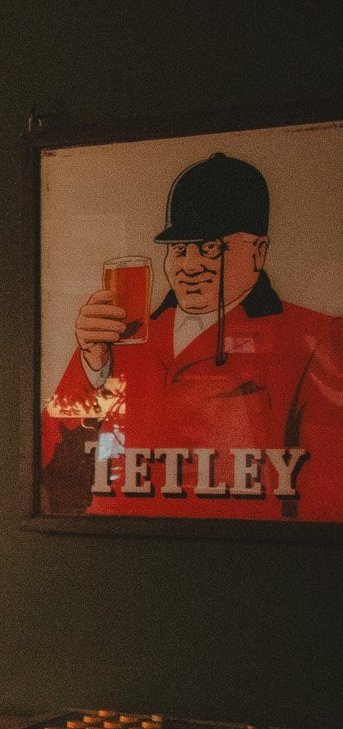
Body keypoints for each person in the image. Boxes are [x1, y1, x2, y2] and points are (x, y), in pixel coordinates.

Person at [41, 152, 343, 520]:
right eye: (179, 249)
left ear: (258, 252)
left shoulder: (314, 337)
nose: (189, 265)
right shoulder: (123, 337)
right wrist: (91, 366)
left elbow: (325, 496)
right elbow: (52, 462)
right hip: (118, 547)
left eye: (209, 247)